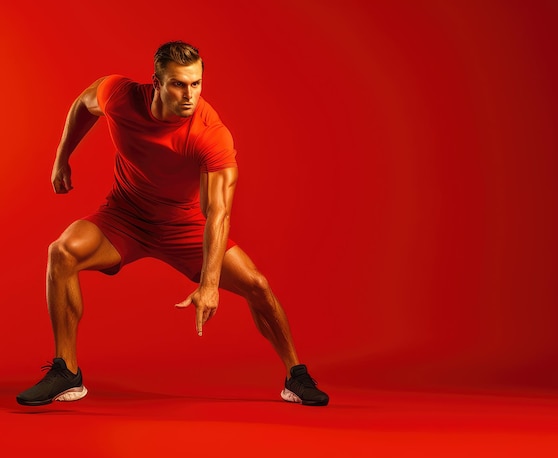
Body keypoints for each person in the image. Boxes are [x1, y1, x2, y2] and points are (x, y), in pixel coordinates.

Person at [16, 41, 329, 407]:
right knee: (62, 252)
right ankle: (66, 371)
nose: (189, 94)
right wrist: (62, 157)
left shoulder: (210, 134)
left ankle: (296, 375)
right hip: (125, 216)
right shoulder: (120, 96)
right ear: (157, 83)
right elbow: (83, 104)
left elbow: (218, 214)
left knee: (257, 285)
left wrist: (209, 285)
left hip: (182, 227)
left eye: (196, 84)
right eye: (179, 84)